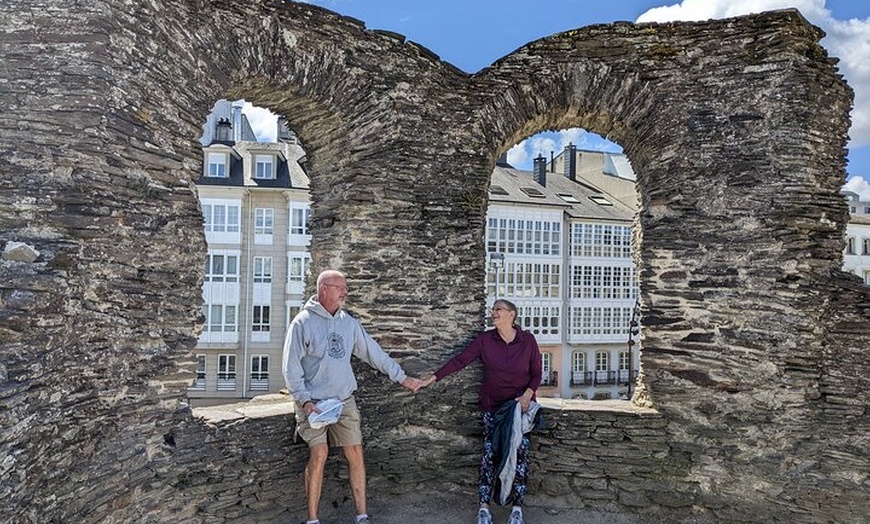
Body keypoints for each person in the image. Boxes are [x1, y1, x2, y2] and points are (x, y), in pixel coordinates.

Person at [282, 269, 422, 524]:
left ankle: (362, 516)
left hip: (343, 400)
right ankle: (312, 520)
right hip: (312, 402)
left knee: (355, 451)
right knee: (320, 453)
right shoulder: (302, 323)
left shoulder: (348, 323)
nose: (345, 292)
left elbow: (373, 353)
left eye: (345, 287)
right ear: (323, 289)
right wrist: (304, 400)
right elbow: (291, 367)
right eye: (340, 287)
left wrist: (402, 377)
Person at [420, 299, 542, 524]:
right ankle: (484, 509)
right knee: (489, 456)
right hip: (493, 409)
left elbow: (536, 374)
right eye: (493, 309)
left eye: (498, 309)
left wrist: (527, 394)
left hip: (518, 410)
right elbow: (461, 360)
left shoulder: (528, 340)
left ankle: (517, 510)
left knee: (520, 456)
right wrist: (433, 378)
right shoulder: (486, 340)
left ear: (512, 314)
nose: (493, 313)